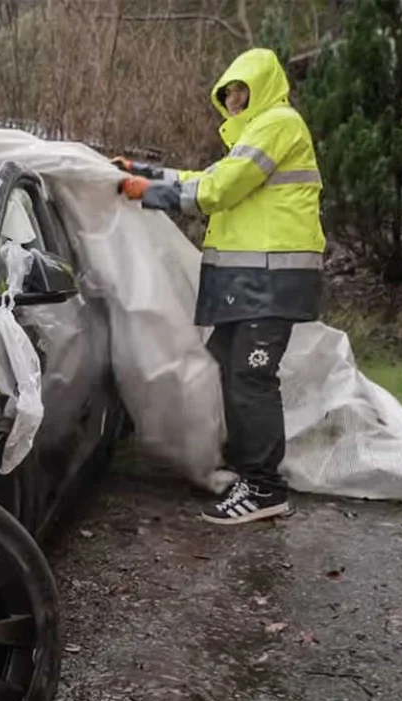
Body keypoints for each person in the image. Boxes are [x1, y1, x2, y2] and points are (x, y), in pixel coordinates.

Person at [111, 47, 326, 526]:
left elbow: (217, 191)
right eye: (227, 93)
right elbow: (207, 178)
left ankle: (265, 489)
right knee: (225, 367)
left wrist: (148, 192)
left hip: (271, 279)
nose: (232, 100)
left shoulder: (277, 123)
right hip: (252, 281)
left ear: (261, 89)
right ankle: (245, 470)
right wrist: (143, 173)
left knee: (250, 377)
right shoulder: (256, 135)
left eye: (240, 91)